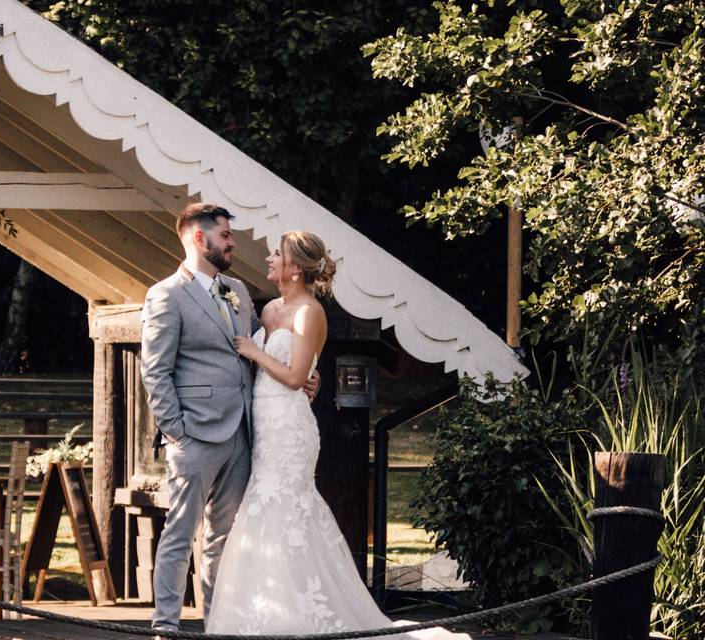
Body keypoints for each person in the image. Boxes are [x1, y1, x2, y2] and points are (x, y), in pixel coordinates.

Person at [206, 230, 471, 640]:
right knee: (263, 506)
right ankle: (264, 608)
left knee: (286, 507)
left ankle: (301, 616)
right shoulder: (270, 309)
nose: (270, 259)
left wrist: (259, 354)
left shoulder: (310, 312)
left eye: (278, 254)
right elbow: (292, 371)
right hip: (265, 424)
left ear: (295, 268)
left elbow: (295, 376)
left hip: (291, 429)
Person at [140, 203, 318, 634]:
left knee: (226, 537)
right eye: (225, 236)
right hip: (195, 434)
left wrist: (310, 374)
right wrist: (176, 431)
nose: (233, 243)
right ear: (199, 239)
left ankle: (216, 622)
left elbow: (267, 343)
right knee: (179, 535)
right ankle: (165, 626)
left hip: (245, 432)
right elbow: (155, 369)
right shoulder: (166, 294)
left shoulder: (236, 288)